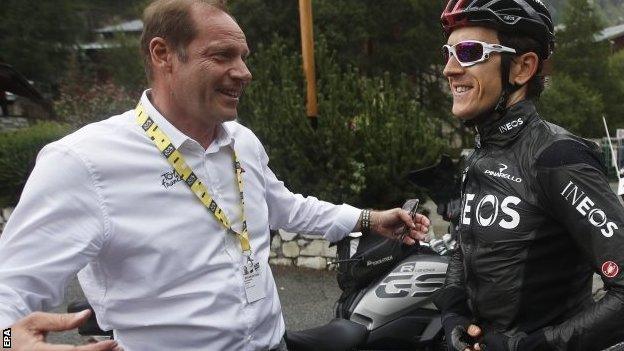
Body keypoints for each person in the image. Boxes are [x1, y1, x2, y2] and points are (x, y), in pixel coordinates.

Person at [0, 1, 430, 350]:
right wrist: (7, 340)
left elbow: (285, 206)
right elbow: (10, 284)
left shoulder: (241, 141)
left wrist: (369, 219)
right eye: (222, 55)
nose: (244, 72)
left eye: (243, 56)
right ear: (163, 54)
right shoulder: (82, 161)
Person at [433, 1, 624, 350]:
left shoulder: (558, 159)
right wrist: (454, 317)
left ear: (522, 67)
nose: (449, 68)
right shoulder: (482, 153)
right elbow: (465, 247)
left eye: (469, 52)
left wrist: (536, 347)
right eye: (448, 52)